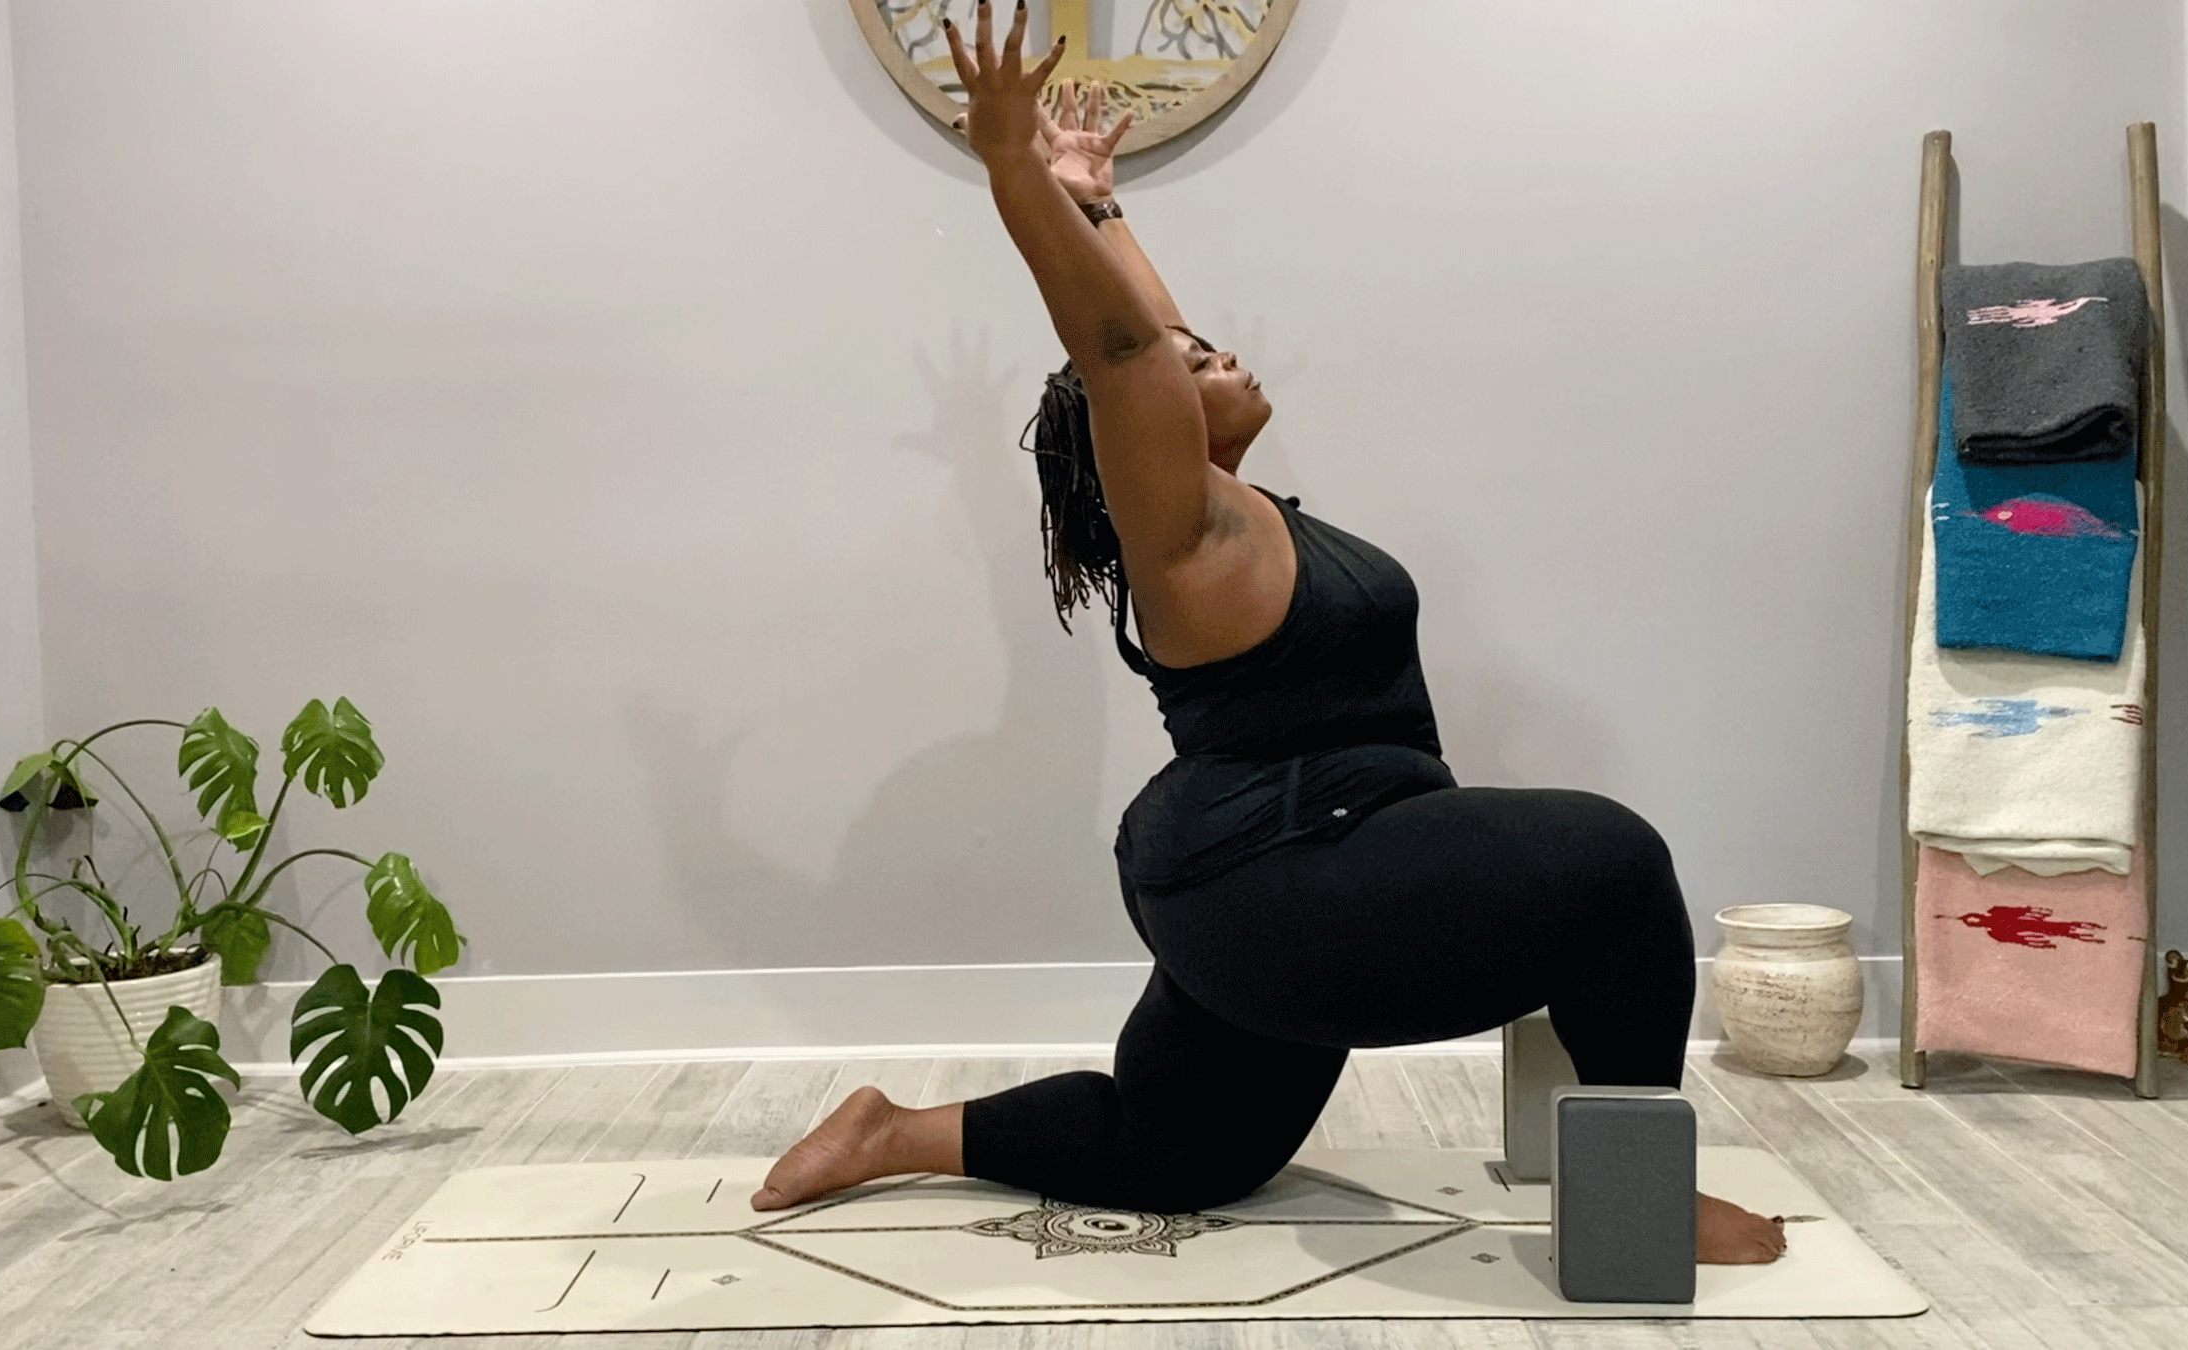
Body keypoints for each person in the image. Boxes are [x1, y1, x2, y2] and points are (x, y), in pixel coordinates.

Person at [754, 2, 1786, 1266]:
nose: (1211, 350)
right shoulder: (1185, 543)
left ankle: (895, 1132)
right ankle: (1640, 1211)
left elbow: (1154, 334)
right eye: (1188, 366)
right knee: (1617, 866)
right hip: (1285, 878)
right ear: (1147, 437)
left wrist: (1102, 202)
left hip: (1262, 875)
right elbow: (1124, 343)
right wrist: (1018, 177)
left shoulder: (1237, 509)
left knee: (1187, 1155)